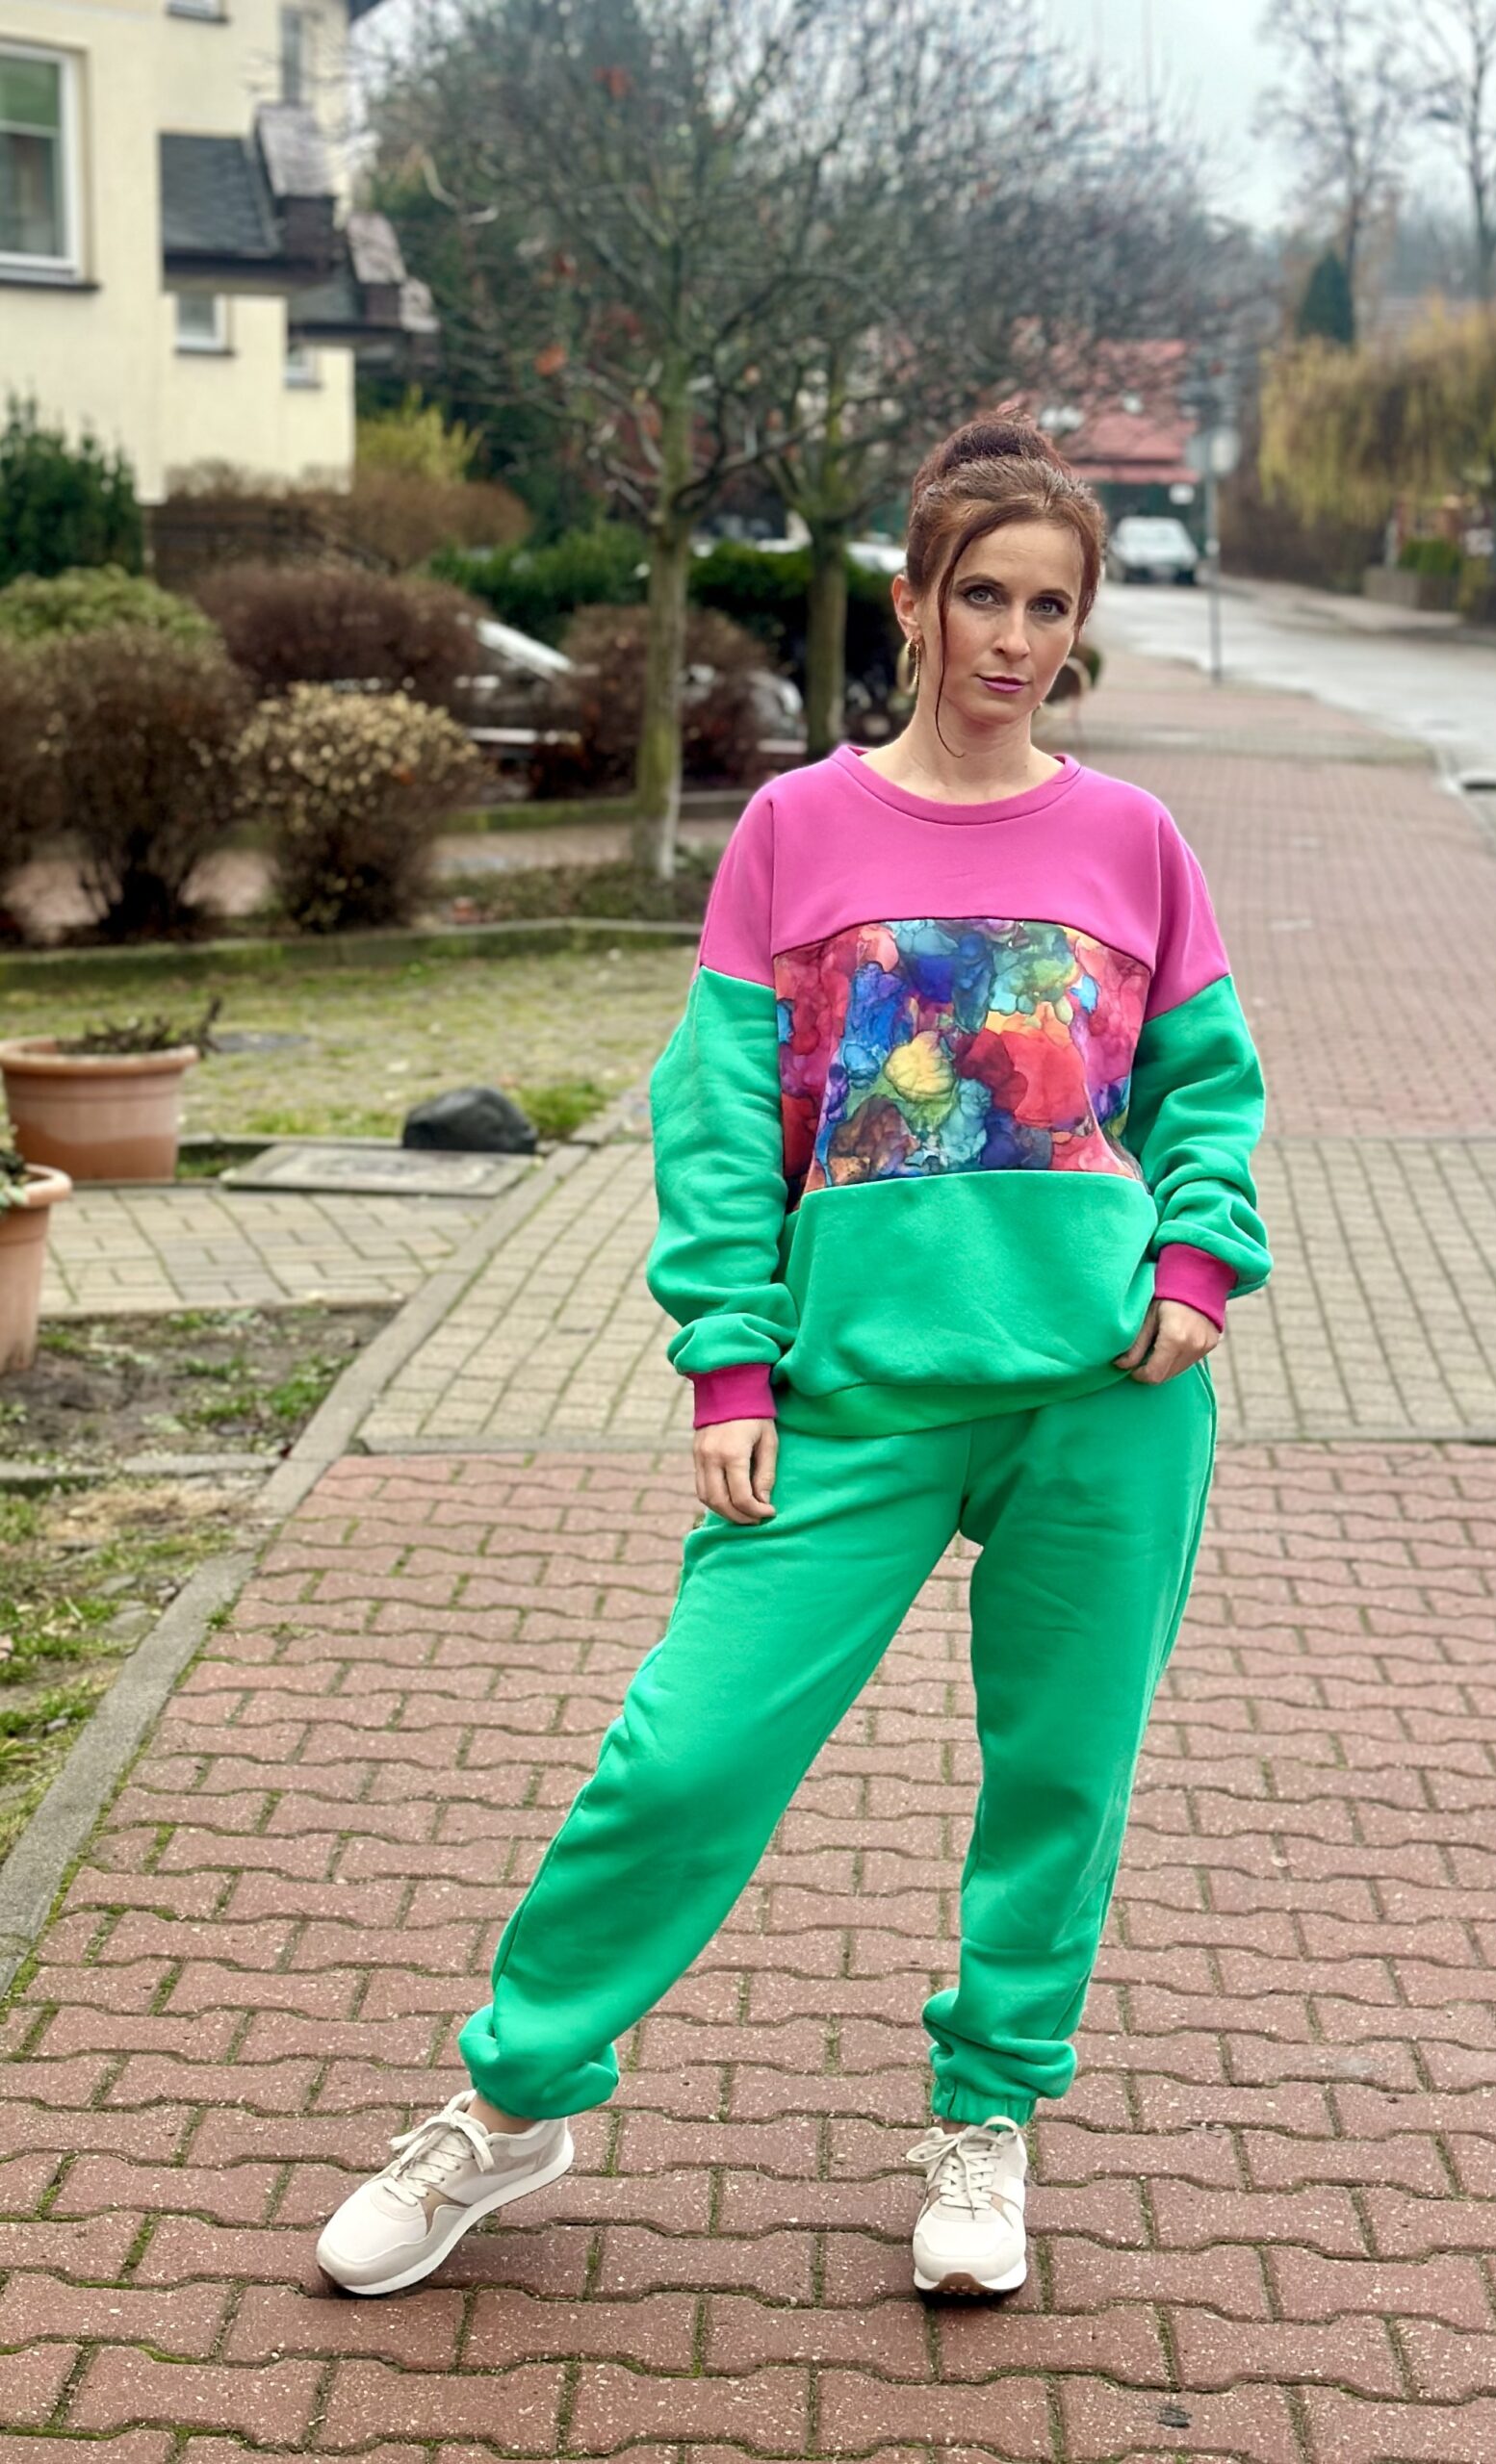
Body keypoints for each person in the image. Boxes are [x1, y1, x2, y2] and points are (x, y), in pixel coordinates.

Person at [315, 412, 1271, 2303]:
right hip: (851, 1395)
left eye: (1051, 607)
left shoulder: (1133, 839)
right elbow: (719, 1118)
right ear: (912, 603)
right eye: (982, 597)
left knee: (1061, 1778)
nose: (1014, 639)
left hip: (1103, 1395)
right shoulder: (795, 828)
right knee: (682, 1754)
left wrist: (1197, 1258)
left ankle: (986, 2116)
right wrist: (730, 1365)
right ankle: (511, 2101)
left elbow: (1206, 1087)